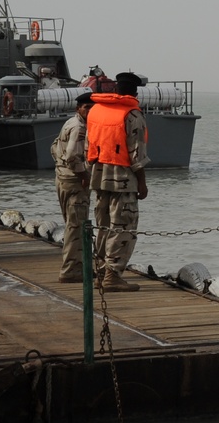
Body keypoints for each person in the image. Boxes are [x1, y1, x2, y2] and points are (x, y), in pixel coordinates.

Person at [86, 71, 149, 292]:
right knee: (124, 227)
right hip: (123, 179)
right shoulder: (132, 115)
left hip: (99, 176)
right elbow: (137, 155)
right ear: (135, 92)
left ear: (114, 89)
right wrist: (142, 182)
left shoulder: (96, 111)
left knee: (103, 226)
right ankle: (113, 275)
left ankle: (100, 273)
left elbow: (89, 146)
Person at [50, 92, 94, 283]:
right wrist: (83, 175)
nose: (90, 112)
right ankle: (70, 270)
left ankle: (76, 266)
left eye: (93, 108)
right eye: (87, 108)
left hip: (63, 179)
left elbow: (54, 147)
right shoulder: (80, 128)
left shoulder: (69, 123)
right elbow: (71, 157)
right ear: (79, 109)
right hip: (74, 182)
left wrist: (61, 169)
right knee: (76, 227)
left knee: (72, 224)